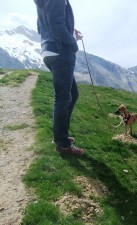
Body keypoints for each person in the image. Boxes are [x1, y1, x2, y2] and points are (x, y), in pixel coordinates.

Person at [34, 0, 84, 155]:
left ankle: (60, 134)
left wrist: (70, 30)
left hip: (48, 50)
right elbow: (57, 27)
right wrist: (73, 44)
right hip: (60, 52)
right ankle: (62, 144)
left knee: (72, 94)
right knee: (62, 98)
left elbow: (40, 27)